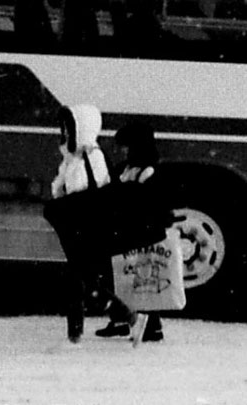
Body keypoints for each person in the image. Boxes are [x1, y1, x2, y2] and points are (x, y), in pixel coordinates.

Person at [96, 120, 174, 342]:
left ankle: (150, 325)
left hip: (141, 233)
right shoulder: (132, 169)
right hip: (131, 231)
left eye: (126, 146)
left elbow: (148, 204)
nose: (123, 150)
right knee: (133, 278)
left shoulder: (148, 172)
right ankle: (128, 320)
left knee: (143, 279)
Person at [42, 103, 112, 342]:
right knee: (83, 282)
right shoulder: (76, 158)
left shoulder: (89, 157)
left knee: (78, 281)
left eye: (68, 128)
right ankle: (124, 316)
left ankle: (77, 335)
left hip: (85, 228)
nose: (64, 133)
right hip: (79, 227)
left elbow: (81, 192)